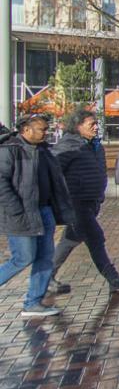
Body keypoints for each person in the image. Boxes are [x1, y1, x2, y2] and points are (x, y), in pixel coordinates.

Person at [50, 110, 119, 293]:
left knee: (69, 241)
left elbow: (100, 171)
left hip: (91, 200)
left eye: (96, 123)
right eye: (91, 124)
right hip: (76, 201)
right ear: (78, 126)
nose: (96, 127)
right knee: (96, 237)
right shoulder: (68, 146)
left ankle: (46, 277)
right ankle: (113, 278)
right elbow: (53, 171)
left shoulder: (94, 145)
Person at [0, 115, 74, 316]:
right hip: (20, 214)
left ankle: (33, 302)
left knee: (45, 257)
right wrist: (16, 208)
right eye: (41, 129)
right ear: (26, 130)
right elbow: (1, 183)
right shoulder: (10, 150)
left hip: (44, 210)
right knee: (22, 258)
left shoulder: (44, 150)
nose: (46, 132)